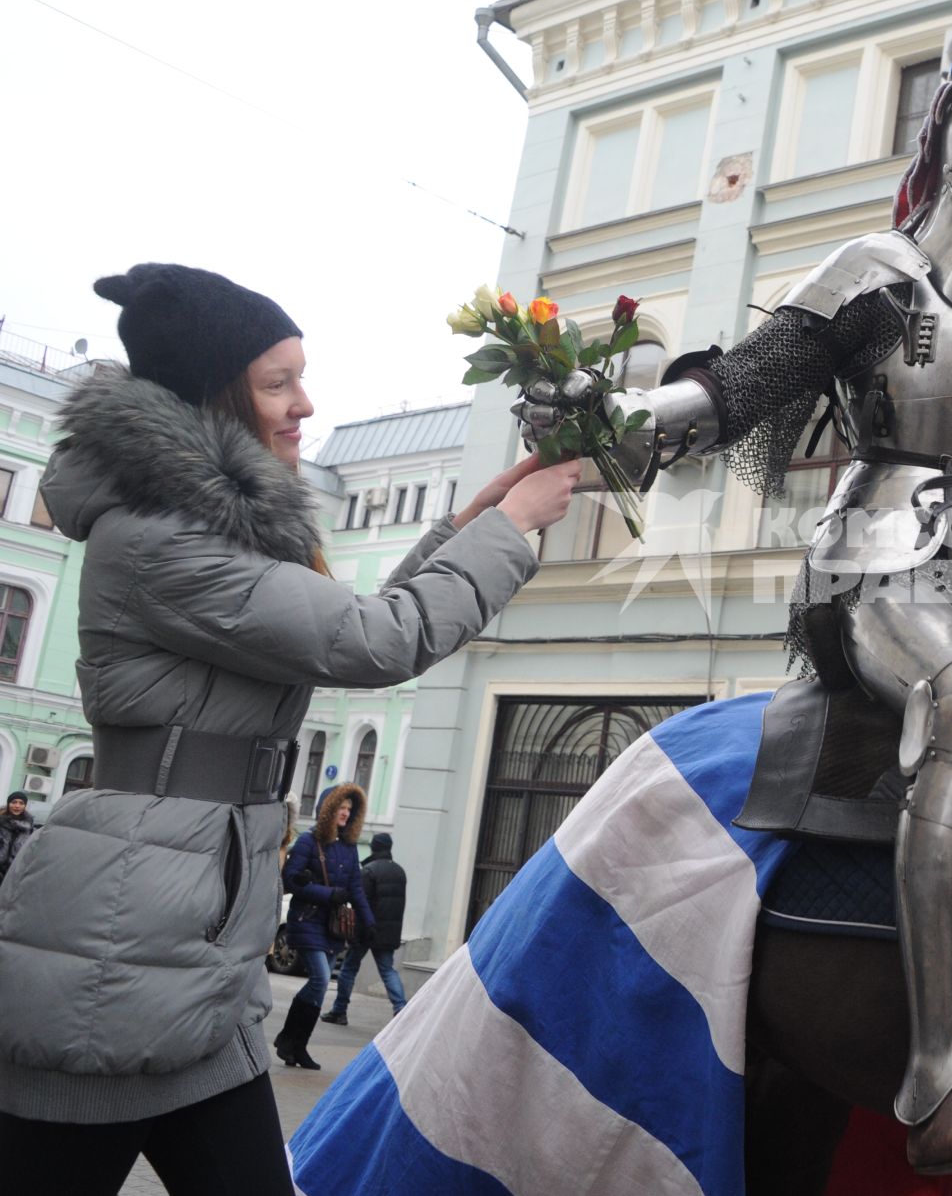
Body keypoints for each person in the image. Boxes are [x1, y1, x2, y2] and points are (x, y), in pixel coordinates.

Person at [519, 0, 952, 1178]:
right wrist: (613, 424)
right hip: (883, 554)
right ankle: (941, 1081)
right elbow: (748, 384)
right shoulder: (876, 271)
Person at [0, 262, 581, 1196]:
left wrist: (476, 519)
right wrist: (510, 528)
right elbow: (373, 641)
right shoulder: (160, 537)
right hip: (118, 950)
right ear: (211, 396)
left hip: (193, 939)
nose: (305, 402)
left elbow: (341, 621)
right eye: (278, 382)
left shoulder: (212, 531)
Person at [275, 784, 371, 1066]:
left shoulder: (350, 848)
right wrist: (328, 894)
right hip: (307, 920)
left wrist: (369, 921)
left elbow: (356, 888)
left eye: (349, 810)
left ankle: (296, 1045)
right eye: (341, 808)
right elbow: (290, 879)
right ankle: (288, 1040)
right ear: (329, 809)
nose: (345, 813)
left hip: (332, 927)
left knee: (319, 985)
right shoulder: (309, 841)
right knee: (319, 978)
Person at [322, 830, 408, 1024]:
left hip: (366, 931)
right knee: (388, 970)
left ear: (373, 847)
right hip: (389, 933)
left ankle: (339, 1010)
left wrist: (356, 933)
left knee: (348, 969)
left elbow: (362, 904)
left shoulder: (369, 871)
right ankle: (401, 1009)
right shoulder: (399, 871)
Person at [0, 790, 38, 882]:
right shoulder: (1, 822)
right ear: (8, 804)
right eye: (14, 802)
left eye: (21, 803)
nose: (17, 806)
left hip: (14, 870)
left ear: (25, 806)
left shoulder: (28, 825)